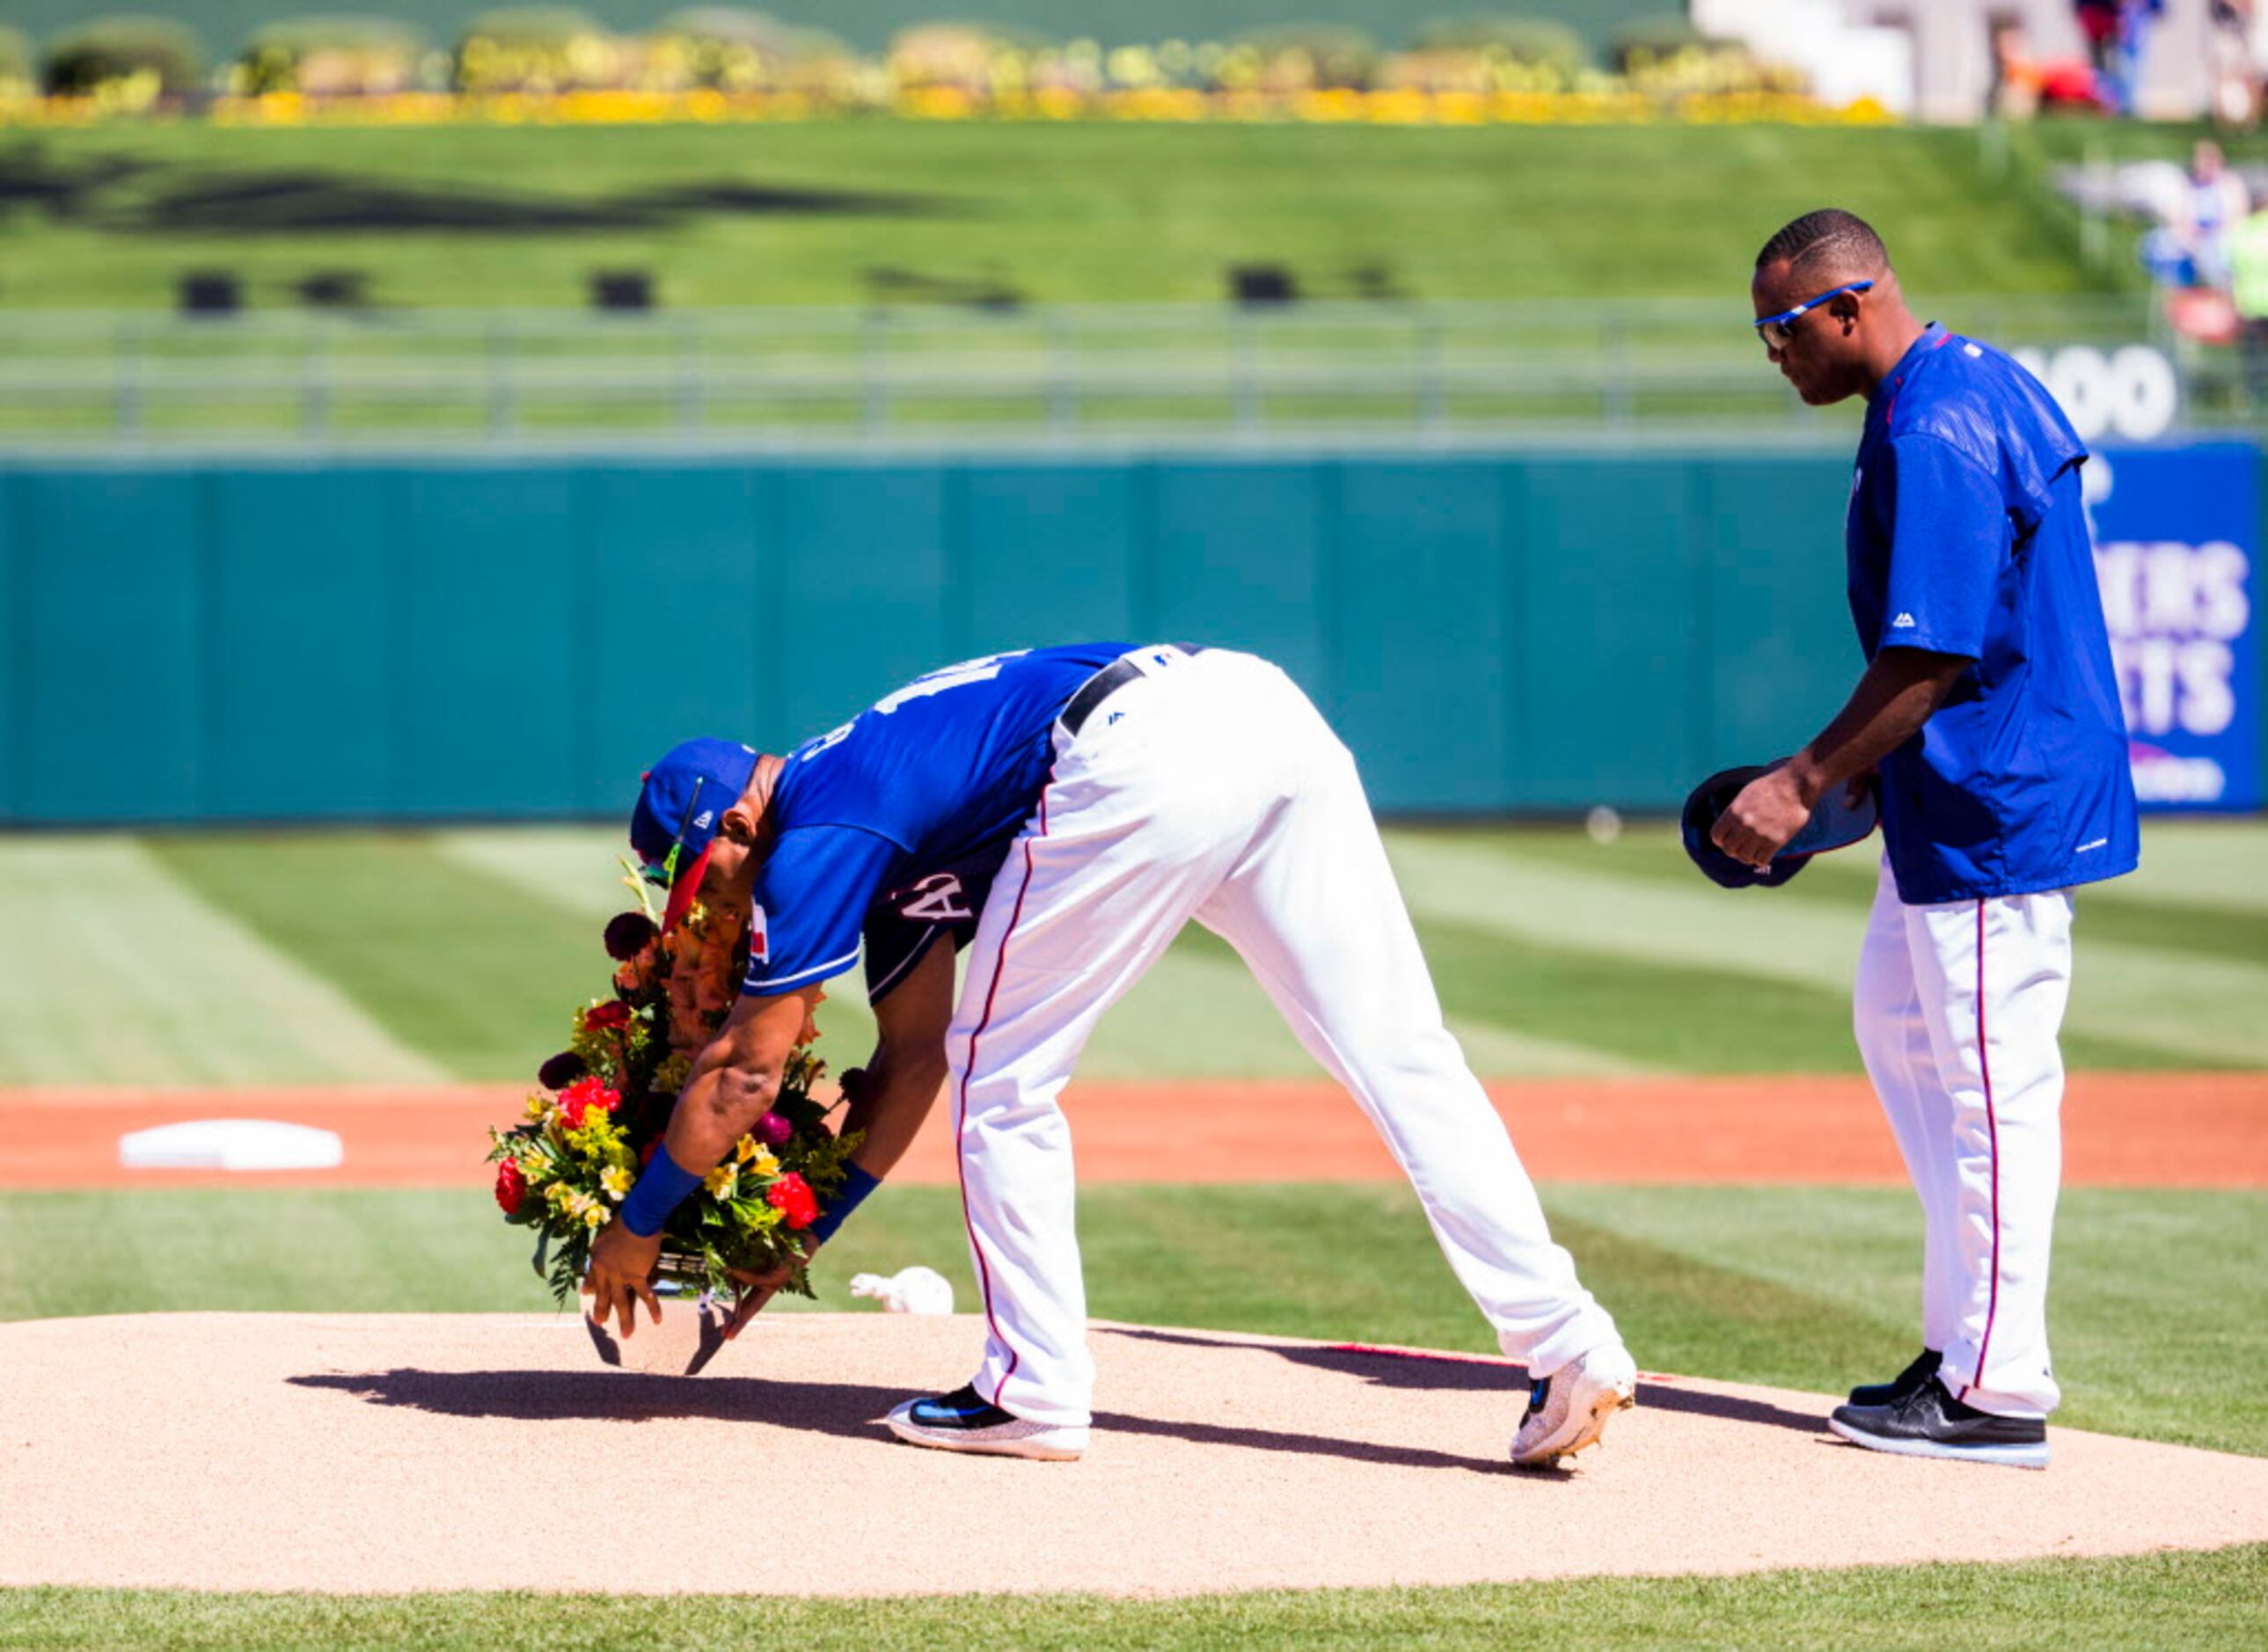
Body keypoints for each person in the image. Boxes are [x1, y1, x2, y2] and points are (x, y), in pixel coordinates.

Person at [583, 643, 1636, 1467]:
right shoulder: (865, 811)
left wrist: (638, 1227)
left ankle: (1031, 1391)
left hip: (1141, 752)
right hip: (1254, 712)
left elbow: (746, 1074)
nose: (710, 906)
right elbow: (907, 1062)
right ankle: (1568, 1343)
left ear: (732, 823)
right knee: (1403, 1053)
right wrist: (815, 1226)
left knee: (1006, 1078)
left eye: (700, 882)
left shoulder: (819, 826)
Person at [1723, 210, 2138, 1470]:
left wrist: (1800, 781)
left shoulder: (1935, 423)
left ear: (1847, 308)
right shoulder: (1958, 383)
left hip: (1993, 798)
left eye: (1780, 329)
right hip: (1960, 790)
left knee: (1991, 1087)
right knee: (1901, 1030)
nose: (1773, 355)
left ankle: (1997, 1388)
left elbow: (1932, 653)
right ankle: (1965, 1338)